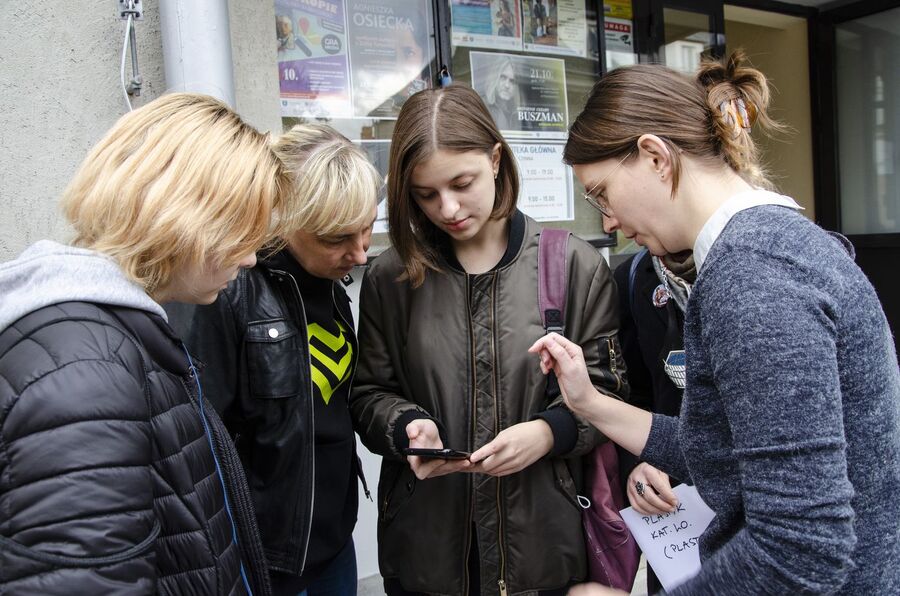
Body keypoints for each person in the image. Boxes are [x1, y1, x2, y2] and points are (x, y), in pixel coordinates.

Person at [531, 51, 900, 594]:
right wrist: (588, 403)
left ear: (655, 156)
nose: (608, 221)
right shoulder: (773, 245)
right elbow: (725, 450)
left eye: (601, 195)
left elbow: (801, 548)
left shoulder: (751, 274)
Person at [0, 93, 295, 594]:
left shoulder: (113, 338)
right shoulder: (88, 368)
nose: (249, 259)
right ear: (186, 218)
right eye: (242, 232)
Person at [350, 83, 627, 596]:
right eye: (425, 194)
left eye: (462, 182)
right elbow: (368, 392)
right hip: (426, 551)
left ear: (496, 159)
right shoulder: (392, 278)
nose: (448, 208)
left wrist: (548, 433)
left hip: (543, 548)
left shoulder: (572, 265)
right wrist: (408, 426)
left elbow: (610, 395)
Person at [169, 123, 380, 596]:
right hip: (264, 561)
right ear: (282, 216)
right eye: (336, 238)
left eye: (367, 228)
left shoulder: (329, 283)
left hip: (332, 544)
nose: (361, 254)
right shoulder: (226, 291)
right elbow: (198, 444)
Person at [613, 248, 695, 594]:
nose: (610, 220)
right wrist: (637, 463)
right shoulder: (633, 276)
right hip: (674, 513)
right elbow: (630, 390)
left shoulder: (752, 264)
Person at [484, 55, 518, 131]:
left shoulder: (517, 112)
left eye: (512, 81)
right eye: (503, 77)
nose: (507, 85)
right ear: (495, 77)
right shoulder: (483, 107)